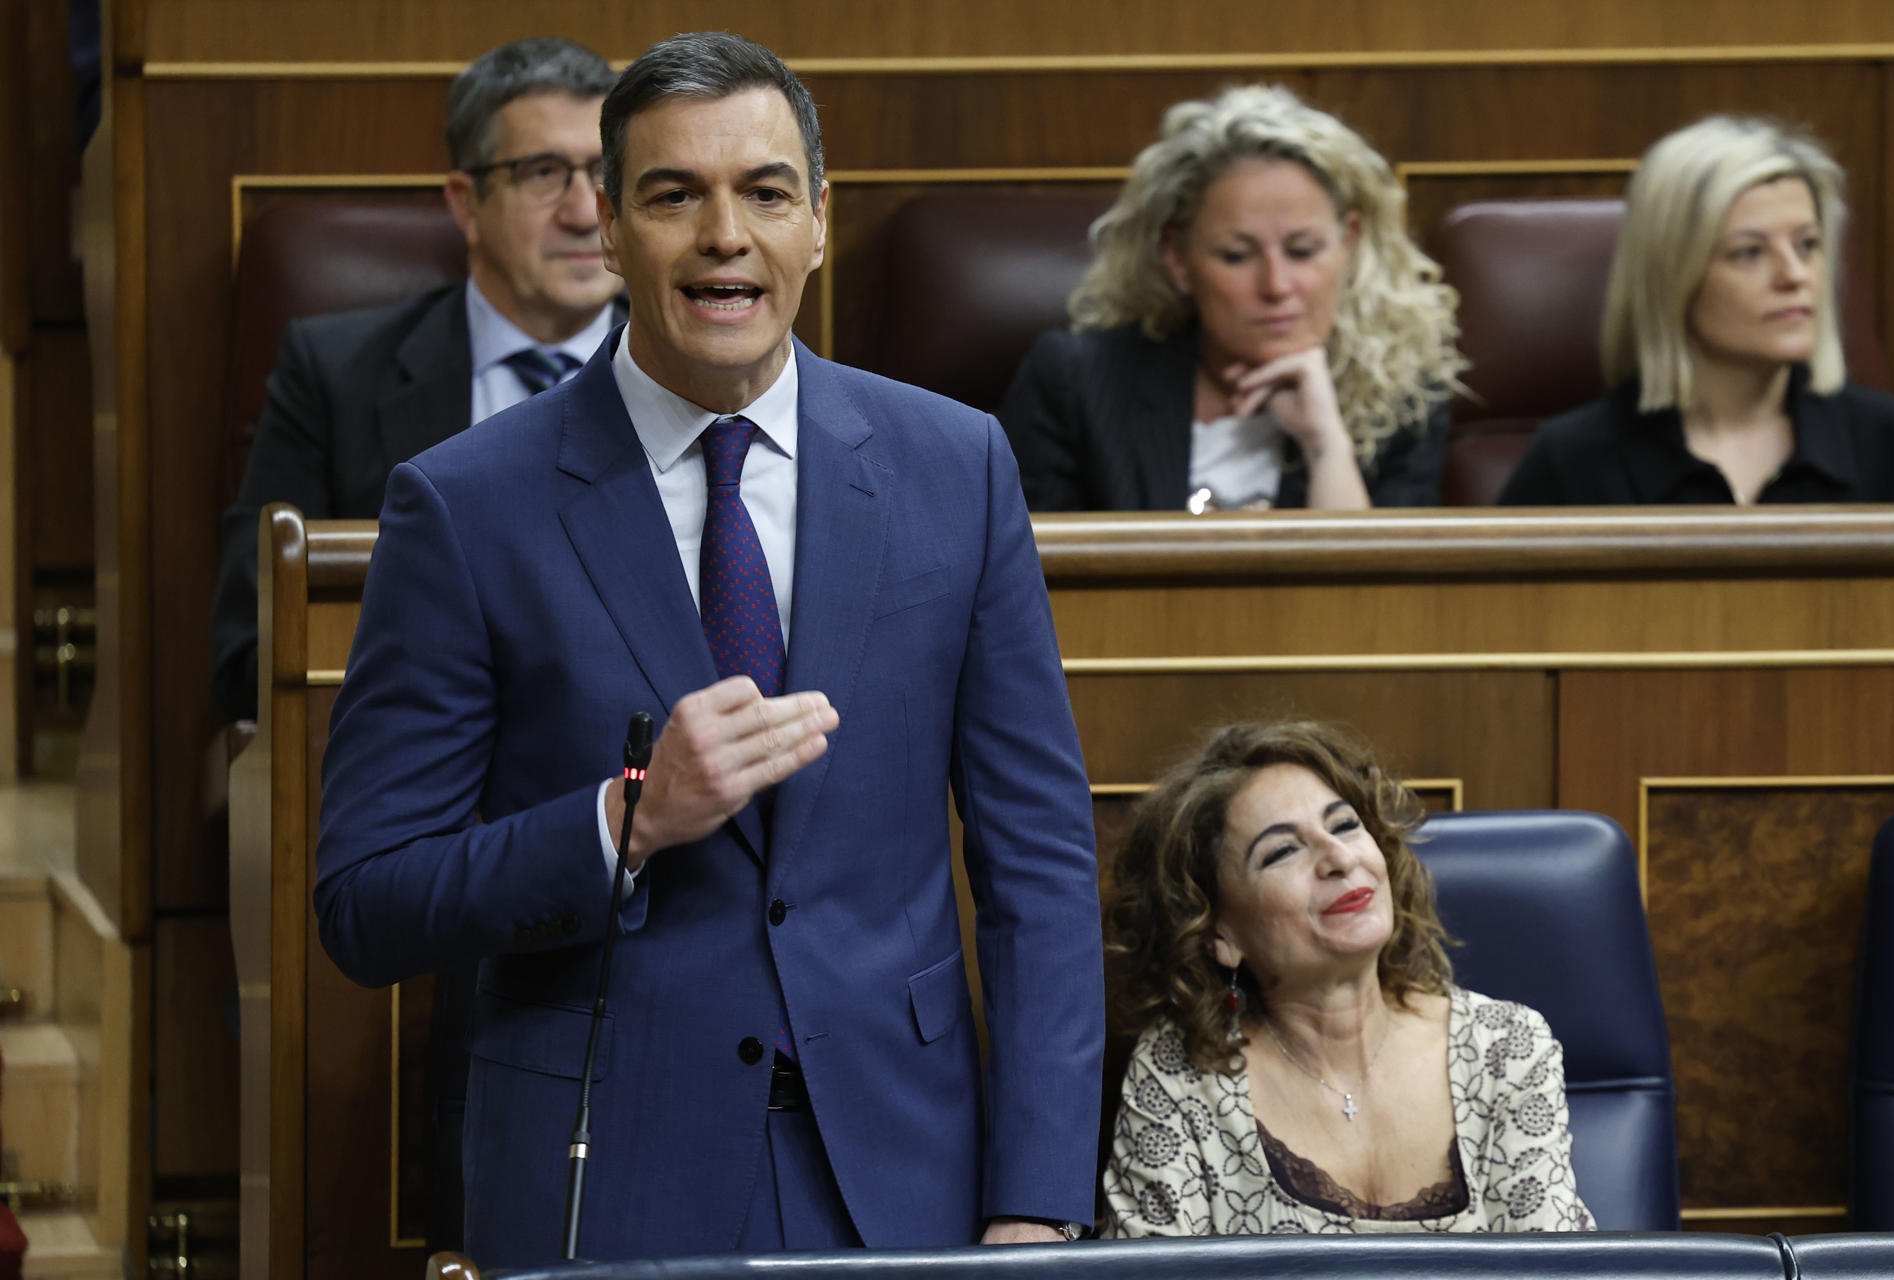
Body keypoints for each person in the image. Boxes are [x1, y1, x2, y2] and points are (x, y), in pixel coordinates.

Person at [312, 31, 1104, 1268]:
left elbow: (1039, 863)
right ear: (613, 229)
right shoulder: (465, 504)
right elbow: (366, 902)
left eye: (766, 193)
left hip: (902, 1174)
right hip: (602, 1170)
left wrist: (1039, 1196)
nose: (724, 234)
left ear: (820, 225)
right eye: (674, 195)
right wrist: (625, 817)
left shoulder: (958, 465)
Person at [209, 36, 625, 725]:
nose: (585, 212)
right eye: (544, 173)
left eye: (606, 172)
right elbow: (248, 648)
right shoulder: (337, 375)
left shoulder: (696, 366)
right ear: (466, 203)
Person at [1101, 720, 1594, 1235]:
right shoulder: (1179, 1078)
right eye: (1282, 852)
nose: (1338, 858)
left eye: (1343, 825)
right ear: (1217, 933)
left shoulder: (1506, 1048)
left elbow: (1554, 1271)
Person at [997, 85, 1464, 514]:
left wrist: (1326, 447)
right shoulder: (1076, 382)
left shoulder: (1401, 401)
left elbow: (1379, 600)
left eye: (1303, 251)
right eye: (1237, 255)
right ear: (1177, 258)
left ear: (1348, 242)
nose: (1277, 286)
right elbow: (1030, 582)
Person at [1499, 116, 1894, 505]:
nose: (1795, 275)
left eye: (1807, 244)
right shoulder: (1573, 461)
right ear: (1673, 276)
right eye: (1749, 253)